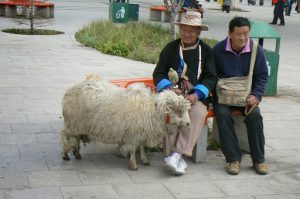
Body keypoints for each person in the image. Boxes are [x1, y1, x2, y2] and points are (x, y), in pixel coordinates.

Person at [153, 11, 216, 175]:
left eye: (191, 30)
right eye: (184, 30)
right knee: (170, 111)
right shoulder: (171, 48)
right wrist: (169, 88)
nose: (187, 34)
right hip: (173, 95)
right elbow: (158, 73)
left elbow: (211, 77)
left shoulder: (207, 51)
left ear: (198, 32)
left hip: (195, 97)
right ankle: (171, 154)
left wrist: (197, 94)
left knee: (197, 114)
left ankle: (177, 153)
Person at [212, 17, 269, 175]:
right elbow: (210, 75)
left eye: (246, 33)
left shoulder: (256, 50)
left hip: (246, 97)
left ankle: (259, 160)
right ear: (230, 33)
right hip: (224, 97)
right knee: (222, 114)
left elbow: (262, 76)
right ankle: (233, 159)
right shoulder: (218, 50)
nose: (243, 38)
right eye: (238, 34)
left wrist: (256, 95)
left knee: (255, 115)